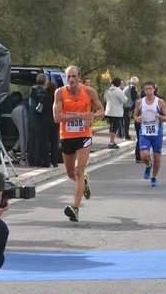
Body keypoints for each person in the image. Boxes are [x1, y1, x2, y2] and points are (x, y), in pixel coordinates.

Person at [53, 65, 104, 222]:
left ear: (79, 77)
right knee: (70, 174)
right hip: (67, 136)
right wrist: (79, 116)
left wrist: (93, 117)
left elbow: (102, 110)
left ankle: (75, 209)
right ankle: (84, 183)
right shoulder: (60, 93)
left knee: (78, 171)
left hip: (84, 135)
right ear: (65, 78)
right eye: (68, 77)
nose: (71, 79)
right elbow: (57, 118)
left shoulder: (88, 92)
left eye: (74, 76)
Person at [133, 80, 166, 186]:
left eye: (150, 89)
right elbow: (134, 116)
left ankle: (153, 177)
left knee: (157, 157)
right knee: (144, 156)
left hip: (157, 134)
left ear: (154, 89)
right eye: (146, 89)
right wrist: (137, 119)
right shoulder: (140, 102)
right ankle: (148, 165)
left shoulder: (160, 102)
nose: (148, 91)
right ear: (144, 90)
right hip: (144, 133)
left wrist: (160, 117)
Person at [27, 74, 48, 167]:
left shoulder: (32, 90)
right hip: (38, 118)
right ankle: (37, 160)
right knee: (38, 140)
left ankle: (30, 160)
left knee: (31, 140)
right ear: (45, 81)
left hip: (30, 116)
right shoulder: (43, 91)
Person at [104, 77, 127, 149]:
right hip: (116, 112)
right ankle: (112, 142)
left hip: (109, 111)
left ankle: (111, 141)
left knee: (111, 126)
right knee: (115, 127)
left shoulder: (107, 90)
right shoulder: (118, 91)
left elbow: (105, 99)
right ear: (118, 84)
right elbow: (124, 100)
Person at [43, 82, 61, 167]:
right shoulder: (56, 98)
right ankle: (55, 162)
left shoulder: (43, 97)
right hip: (55, 121)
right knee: (54, 142)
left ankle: (46, 162)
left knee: (45, 143)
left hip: (45, 122)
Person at [9, 91, 29, 166]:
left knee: (25, 135)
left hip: (15, 112)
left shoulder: (24, 101)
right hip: (21, 111)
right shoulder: (29, 100)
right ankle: (23, 159)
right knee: (24, 135)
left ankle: (13, 150)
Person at [123, 76, 139, 141]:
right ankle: (126, 135)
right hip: (128, 105)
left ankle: (125, 134)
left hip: (124, 105)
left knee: (125, 121)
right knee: (127, 121)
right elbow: (134, 98)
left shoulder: (126, 87)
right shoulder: (133, 87)